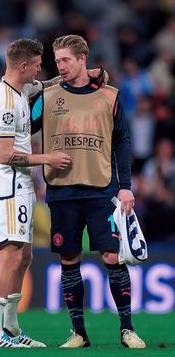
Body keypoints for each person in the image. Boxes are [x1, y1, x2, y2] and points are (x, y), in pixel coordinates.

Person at [29, 35, 146, 349]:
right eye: (57, 61)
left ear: (84, 60)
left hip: (101, 189)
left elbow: (122, 141)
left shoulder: (110, 95)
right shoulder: (48, 94)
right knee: (69, 259)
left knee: (112, 256)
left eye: (66, 60)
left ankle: (127, 329)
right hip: (62, 191)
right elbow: (19, 127)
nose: (61, 66)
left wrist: (125, 188)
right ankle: (78, 333)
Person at [0, 38, 72, 348]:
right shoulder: (4, 100)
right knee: (10, 256)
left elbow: (46, 85)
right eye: (38, 65)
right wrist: (47, 158)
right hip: (9, 185)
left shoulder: (22, 89)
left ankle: (12, 328)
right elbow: (5, 154)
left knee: (24, 255)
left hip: (22, 185)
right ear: (23, 66)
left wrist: (79, 74)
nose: (42, 70)